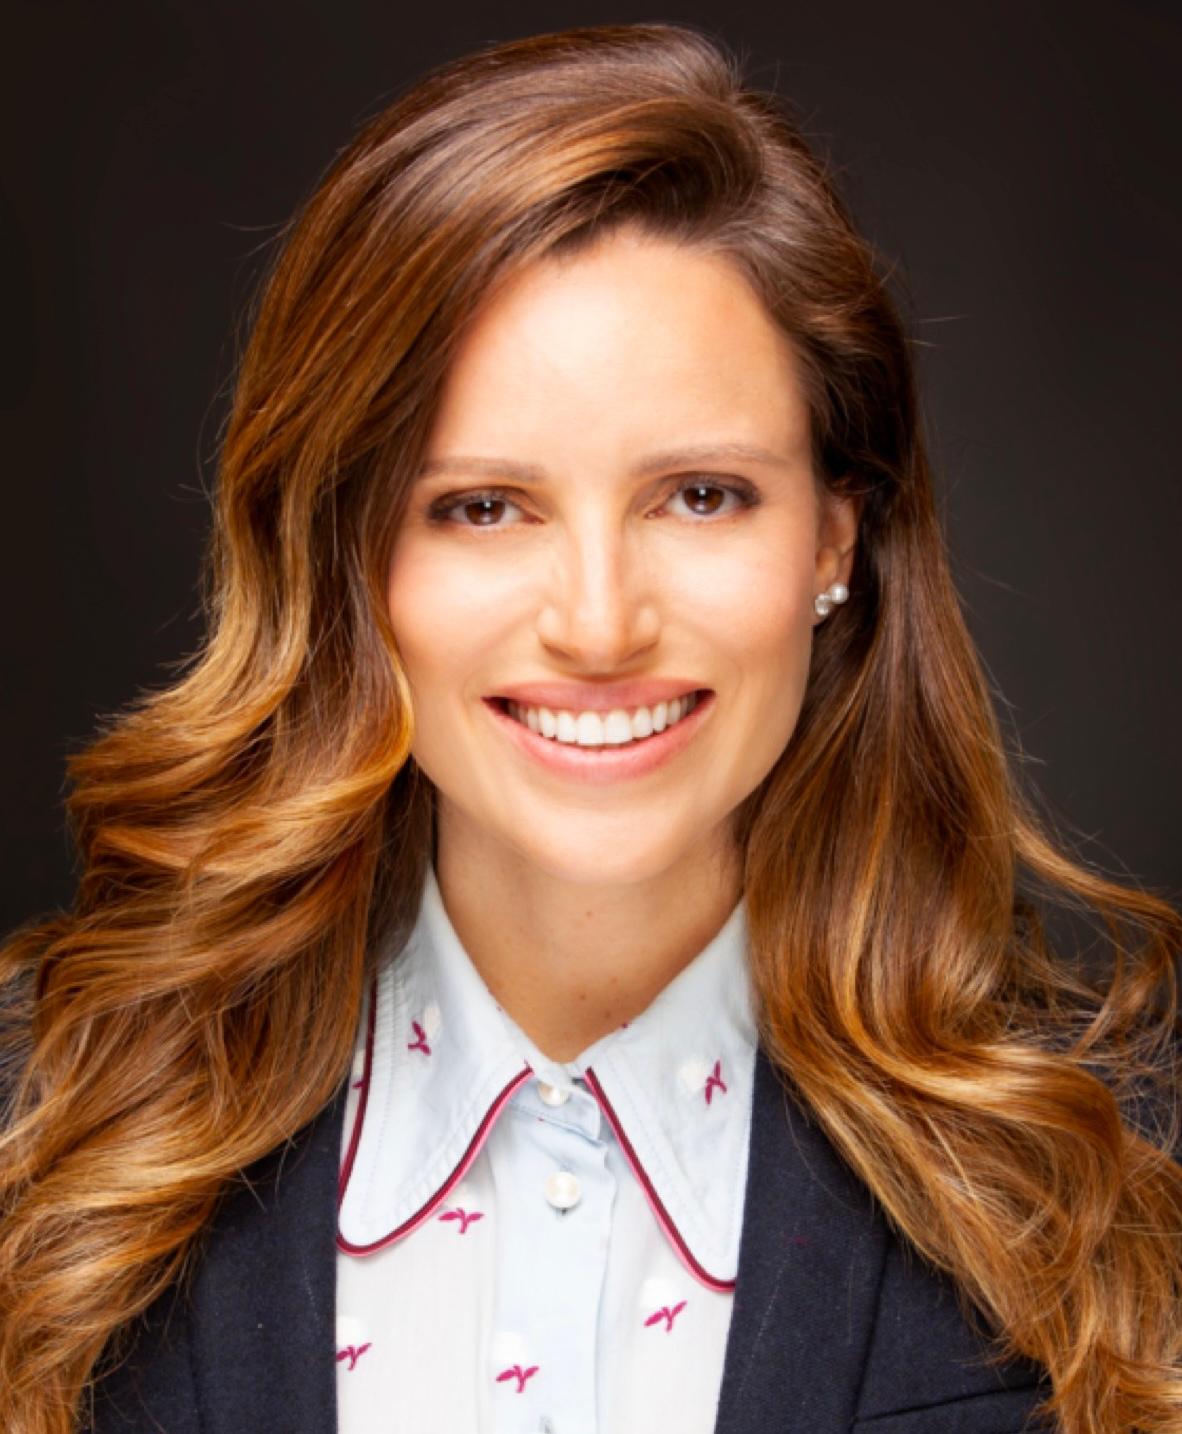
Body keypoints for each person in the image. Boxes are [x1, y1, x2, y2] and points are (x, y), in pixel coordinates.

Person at [1, 21, 1179, 1434]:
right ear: (345, 558)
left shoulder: (1127, 1175)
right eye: (482, 506)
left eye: (700, 495)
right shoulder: (40, 1143)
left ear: (834, 535)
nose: (601, 623)